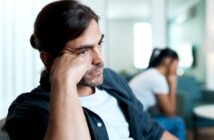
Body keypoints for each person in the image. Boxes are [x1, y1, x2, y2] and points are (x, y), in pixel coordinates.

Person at [4, 1, 177, 140]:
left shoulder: (112, 79)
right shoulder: (30, 109)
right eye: (83, 51)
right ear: (49, 60)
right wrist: (64, 80)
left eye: (99, 43)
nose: (99, 59)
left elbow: (153, 132)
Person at [129, 48, 186, 140]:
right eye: (177, 64)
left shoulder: (151, 73)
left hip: (133, 119)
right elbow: (170, 113)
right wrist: (173, 85)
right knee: (177, 122)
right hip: (136, 124)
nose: (177, 68)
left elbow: (162, 110)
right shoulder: (157, 78)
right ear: (168, 61)